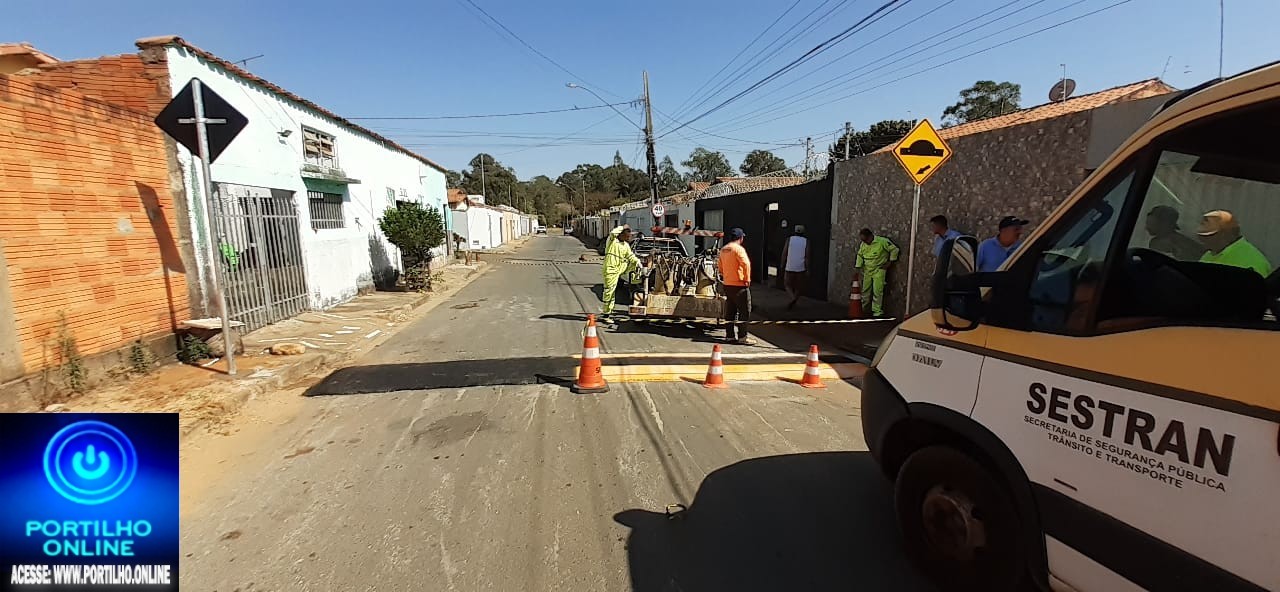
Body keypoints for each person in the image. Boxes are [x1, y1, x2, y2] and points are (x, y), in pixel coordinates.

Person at [1197, 210, 1271, 276]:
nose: (1200, 237)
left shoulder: (1252, 262)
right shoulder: (1209, 255)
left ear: (1223, 234)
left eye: (1206, 232)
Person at [719, 228, 755, 345]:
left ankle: (729, 336)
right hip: (739, 284)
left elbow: (719, 266)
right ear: (740, 238)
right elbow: (746, 264)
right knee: (745, 311)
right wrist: (747, 279)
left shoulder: (724, 249)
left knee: (730, 311)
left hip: (727, 284)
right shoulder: (738, 249)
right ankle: (742, 337)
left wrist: (725, 276)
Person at [855, 228, 899, 318]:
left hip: (879, 269)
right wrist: (858, 267)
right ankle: (863, 310)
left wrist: (890, 262)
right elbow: (860, 255)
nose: (865, 242)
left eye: (866, 240)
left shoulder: (882, 242)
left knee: (877, 291)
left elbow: (895, 250)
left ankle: (877, 312)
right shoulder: (863, 244)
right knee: (865, 291)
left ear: (871, 236)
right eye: (863, 240)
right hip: (867, 270)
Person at [601, 226, 640, 315]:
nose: (628, 238)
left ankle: (636, 280)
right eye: (626, 236)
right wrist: (622, 227)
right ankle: (606, 312)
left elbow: (630, 255)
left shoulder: (625, 245)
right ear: (621, 234)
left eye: (629, 237)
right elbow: (613, 233)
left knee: (634, 264)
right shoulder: (612, 241)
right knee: (610, 291)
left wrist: (637, 262)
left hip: (621, 267)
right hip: (610, 269)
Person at [781, 225, 810, 310]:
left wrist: (782, 263)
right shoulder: (806, 241)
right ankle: (795, 299)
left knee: (787, 284)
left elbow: (784, 253)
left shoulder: (789, 239)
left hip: (789, 266)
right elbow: (807, 256)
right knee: (799, 286)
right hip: (801, 267)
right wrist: (808, 269)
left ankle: (792, 298)